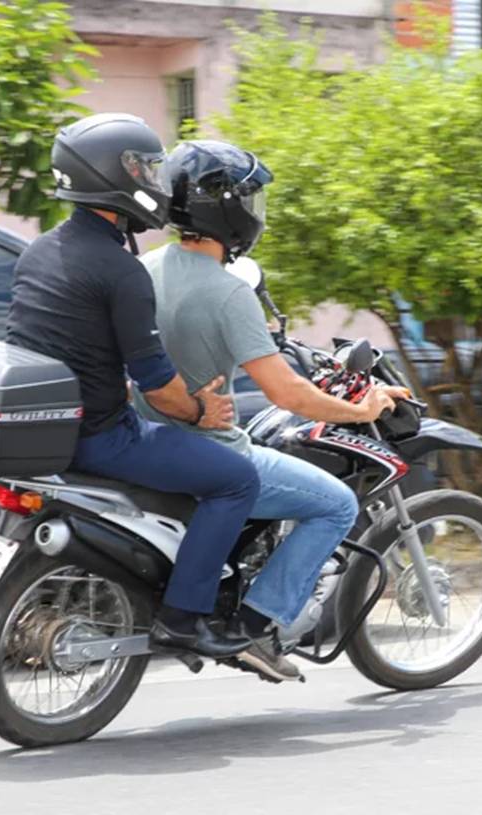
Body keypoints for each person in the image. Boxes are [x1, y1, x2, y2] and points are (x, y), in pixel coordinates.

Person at [135, 140, 401, 682]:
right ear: (228, 210)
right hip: (208, 449)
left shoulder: (145, 268)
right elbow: (289, 394)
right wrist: (362, 406)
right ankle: (256, 626)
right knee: (334, 505)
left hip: (145, 439)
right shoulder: (230, 294)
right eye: (250, 202)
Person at [6, 114, 259, 659]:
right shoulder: (123, 270)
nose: (155, 180)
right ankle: (184, 618)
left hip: (50, 427)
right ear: (112, 177)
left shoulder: (40, 249)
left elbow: (53, 342)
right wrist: (202, 413)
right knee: (236, 479)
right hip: (101, 437)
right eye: (146, 167)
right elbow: (160, 387)